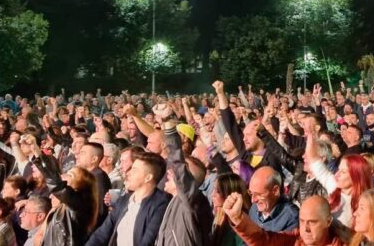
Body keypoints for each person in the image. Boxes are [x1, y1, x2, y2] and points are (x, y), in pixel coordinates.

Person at [154, 102, 214, 246]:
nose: (170, 171)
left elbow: (176, 160)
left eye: (180, 171)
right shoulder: (173, 201)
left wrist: (168, 121)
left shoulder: (192, 202)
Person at [86, 151, 171, 246]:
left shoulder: (161, 203)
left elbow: (148, 241)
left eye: (134, 170)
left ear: (148, 177)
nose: (128, 173)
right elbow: (101, 234)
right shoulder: (124, 200)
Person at [225, 193, 353, 246]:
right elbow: (264, 239)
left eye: (313, 222)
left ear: (328, 221)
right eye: (302, 221)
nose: (306, 229)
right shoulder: (294, 239)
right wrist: (237, 218)